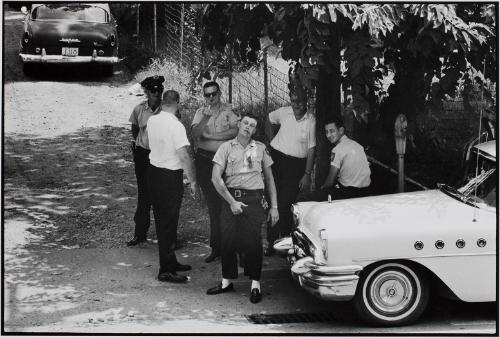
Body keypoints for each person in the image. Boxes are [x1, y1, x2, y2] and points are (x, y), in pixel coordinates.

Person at [206, 113, 279, 303]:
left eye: (252, 125)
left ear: (255, 129)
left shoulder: (261, 149)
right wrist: (232, 202)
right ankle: (226, 281)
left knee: (254, 243)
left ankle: (255, 284)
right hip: (231, 198)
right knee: (227, 239)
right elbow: (215, 178)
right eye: (245, 123)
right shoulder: (225, 148)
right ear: (239, 125)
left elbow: (270, 179)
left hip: (254, 200)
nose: (248, 127)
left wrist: (275, 207)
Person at [147, 90, 199, 283]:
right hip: (169, 176)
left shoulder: (153, 120)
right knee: (167, 222)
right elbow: (184, 155)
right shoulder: (175, 125)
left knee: (167, 220)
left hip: (154, 172)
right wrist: (193, 180)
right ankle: (165, 270)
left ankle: (170, 260)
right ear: (177, 103)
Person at [191, 81, 240, 263]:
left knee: (228, 203)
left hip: (225, 161)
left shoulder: (229, 111)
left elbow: (235, 131)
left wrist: (211, 136)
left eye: (214, 94)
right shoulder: (200, 112)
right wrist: (205, 119)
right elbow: (196, 134)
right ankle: (216, 247)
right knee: (213, 205)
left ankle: (231, 247)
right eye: (207, 95)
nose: (211, 98)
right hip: (205, 160)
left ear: (219, 93)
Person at [264, 91, 316, 256]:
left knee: (286, 204)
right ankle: (271, 242)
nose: (296, 105)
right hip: (276, 159)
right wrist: (270, 141)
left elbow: (311, 149)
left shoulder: (311, 121)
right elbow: (269, 119)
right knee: (272, 200)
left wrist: (307, 174)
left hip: (296, 166)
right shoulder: (284, 112)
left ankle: (284, 243)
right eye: (293, 101)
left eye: (299, 101)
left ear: (305, 101)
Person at [127, 75, 164, 246]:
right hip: (143, 155)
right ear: (147, 92)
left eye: (160, 90)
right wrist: (138, 146)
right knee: (144, 194)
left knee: (162, 196)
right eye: (154, 90)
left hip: (161, 156)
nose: (157, 93)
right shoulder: (139, 109)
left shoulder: (167, 110)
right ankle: (140, 233)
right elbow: (135, 129)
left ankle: (166, 236)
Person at [311, 116, 371, 201]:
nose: (328, 135)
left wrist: (322, 189)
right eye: (326, 132)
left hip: (349, 193)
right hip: (366, 191)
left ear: (341, 130)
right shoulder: (358, 146)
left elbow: (330, 181)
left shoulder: (337, 150)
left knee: (311, 197)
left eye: (332, 131)